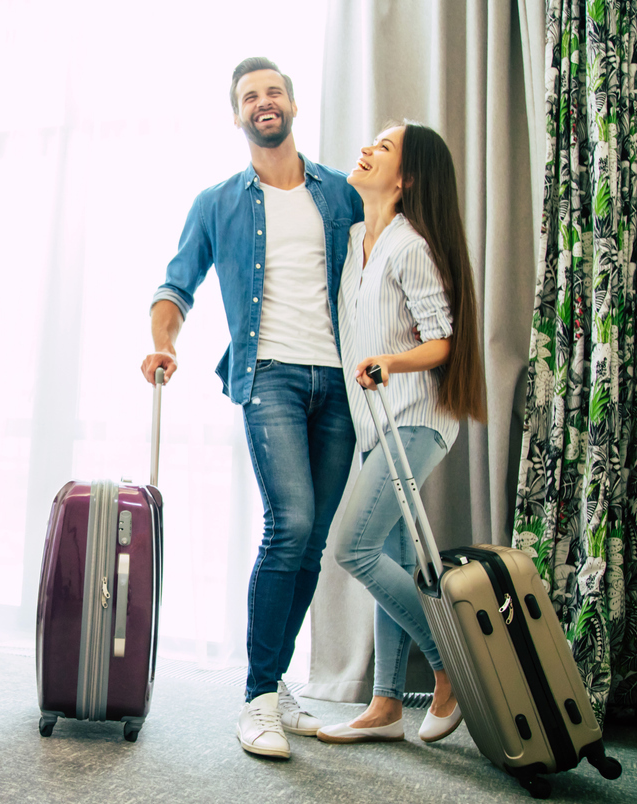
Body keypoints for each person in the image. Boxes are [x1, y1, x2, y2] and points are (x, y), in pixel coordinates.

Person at [141, 57, 363, 760]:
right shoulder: (218, 202)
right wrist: (162, 344)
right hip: (268, 376)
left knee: (313, 543)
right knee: (289, 522)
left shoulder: (341, 195)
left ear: (292, 105)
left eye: (272, 92)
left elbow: (381, 275)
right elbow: (175, 288)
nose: (262, 103)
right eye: (249, 97)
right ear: (237, 116)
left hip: (341, 384)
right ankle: (256, 700)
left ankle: (273, 688)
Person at [315, 122, 487, 745]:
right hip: (374, 424)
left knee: (352, 549)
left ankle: (449, 667)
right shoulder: (360, 236)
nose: (365, 149)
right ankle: (386, 704)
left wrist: (390, 362)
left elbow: (442, 341)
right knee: (395, 561)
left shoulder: (411, 245)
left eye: (382, 149)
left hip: (414, 418)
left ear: (406, 178)